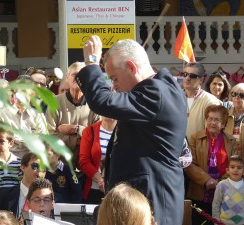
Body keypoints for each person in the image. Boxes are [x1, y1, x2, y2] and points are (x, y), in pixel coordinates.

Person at [76, 35, 187, 225]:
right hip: (138, 202)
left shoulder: (157, 93)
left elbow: (102, 102)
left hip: (152, 203)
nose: (114, 86)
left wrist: (91, 62)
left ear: (131, 67)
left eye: (114, 78)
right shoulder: (156, 90)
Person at [45, 61, 100, 181]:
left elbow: (98, 136)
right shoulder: (54, 102)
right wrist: (82, 137)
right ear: (67, 78)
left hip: (88, 171)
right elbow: (50, 137)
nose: (77, 78)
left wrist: (75, 129)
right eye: (74, 74)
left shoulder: (95, 103)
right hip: (59, 168)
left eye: (82, 74)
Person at [184, 105, 237, 225]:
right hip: (199, 192)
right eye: (209, 118)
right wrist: (207, 180)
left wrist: (220, 183)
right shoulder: (195, 138)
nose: (212, 122)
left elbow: (234, 166)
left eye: (217, 120)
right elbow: (189, 163)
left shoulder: (231, 141)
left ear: (223, 124)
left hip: (223, 192)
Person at [0, 75, 48, 158]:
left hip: (30, 161)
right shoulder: (2, 114)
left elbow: (44, 142)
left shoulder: (38, 116)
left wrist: (16, 140)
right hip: (7, 161)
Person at [0, 152, 40, 218]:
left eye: (44, 168)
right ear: (23, 167)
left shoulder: (50, 199)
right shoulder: (1, 196)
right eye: (35, 166)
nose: (40, 170)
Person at [79, 116, 117, 204]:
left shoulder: (124, 133)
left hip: (116, 190)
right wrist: (101, 181)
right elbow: (84, 161)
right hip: (93, 189)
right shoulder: (90, 130)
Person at [182, 62, 221, 139]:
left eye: (192, 76)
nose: (187, 78)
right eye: (185, 74)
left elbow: (213, 133)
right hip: (176, 149)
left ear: (201, 79)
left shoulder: (210, 101)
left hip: (199, 149)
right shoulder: (175, 97)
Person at [212, 155, 244, 225]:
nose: (235, 170)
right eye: (232, 167)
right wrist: (217, 222)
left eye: (239, 168)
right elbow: (216, 205)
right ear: (227, 170)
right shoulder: (221, 185)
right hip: (223, 223)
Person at [0, 128, 22, 201]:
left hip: (16, 203)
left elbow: (22, 185)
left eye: (1, 141)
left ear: (11, 143)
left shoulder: (19, 163)